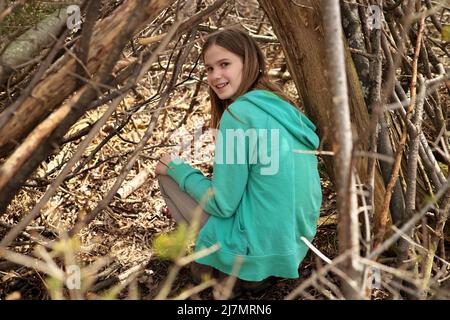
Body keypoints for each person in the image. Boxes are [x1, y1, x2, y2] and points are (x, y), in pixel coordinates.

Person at [155, 28, 322, 293]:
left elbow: (222, 204)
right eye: (209, 68)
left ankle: (218, 267)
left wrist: (179, 171)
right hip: (291, 247)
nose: (215, 76)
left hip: (252, 254)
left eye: (225, 64)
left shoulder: (238, 116)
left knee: (168, 172)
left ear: (249, 62)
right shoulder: (282, 107)